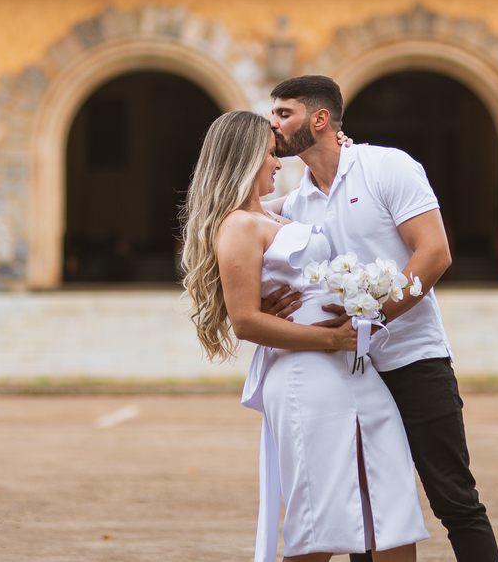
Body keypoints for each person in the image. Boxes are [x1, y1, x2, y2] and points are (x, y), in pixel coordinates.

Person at [263, 75, 498, 562]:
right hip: (347, 373)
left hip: (414, 358)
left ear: (320, 119)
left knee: (453, 498)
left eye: (284, 114)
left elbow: (434, 254)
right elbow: (236, 223)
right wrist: (267, 303)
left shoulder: (387, 166)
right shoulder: (296, 201)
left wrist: (373, 319)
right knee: (364, 504)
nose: (275, 125)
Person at [181, 110, 429, 562]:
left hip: (352, 370)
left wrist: (340, 146)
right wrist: (334, 340)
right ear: (245, 158)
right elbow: (245, 321)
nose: (279, 163)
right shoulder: (238, 225)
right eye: (271, 155)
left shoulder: (276, 213)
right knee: (324, 516)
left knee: (389, 503)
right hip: (305, 376)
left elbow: (327, 196)